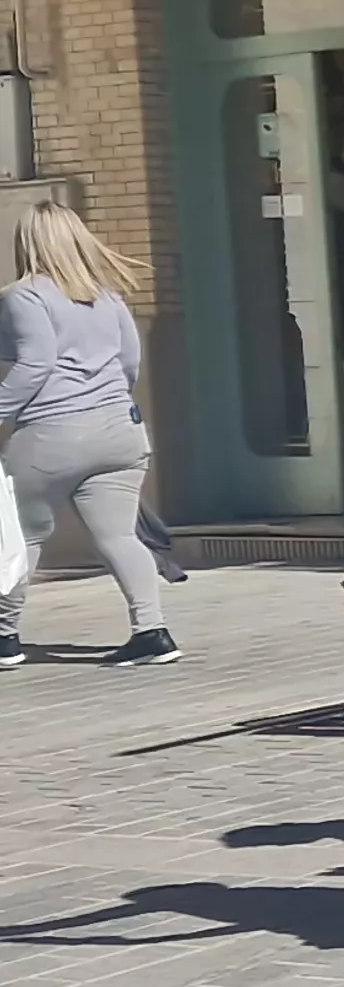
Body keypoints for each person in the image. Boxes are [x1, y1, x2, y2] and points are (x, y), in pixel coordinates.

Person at [0, 203, 172, 668]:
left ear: (28, 242)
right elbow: (130, 361)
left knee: (22, 535)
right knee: (119, 536)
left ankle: (5, 637)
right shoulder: (108, 296)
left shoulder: (24, 296)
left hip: (52, 433)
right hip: (120, 431)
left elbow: (36, 363)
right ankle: (152, 632)